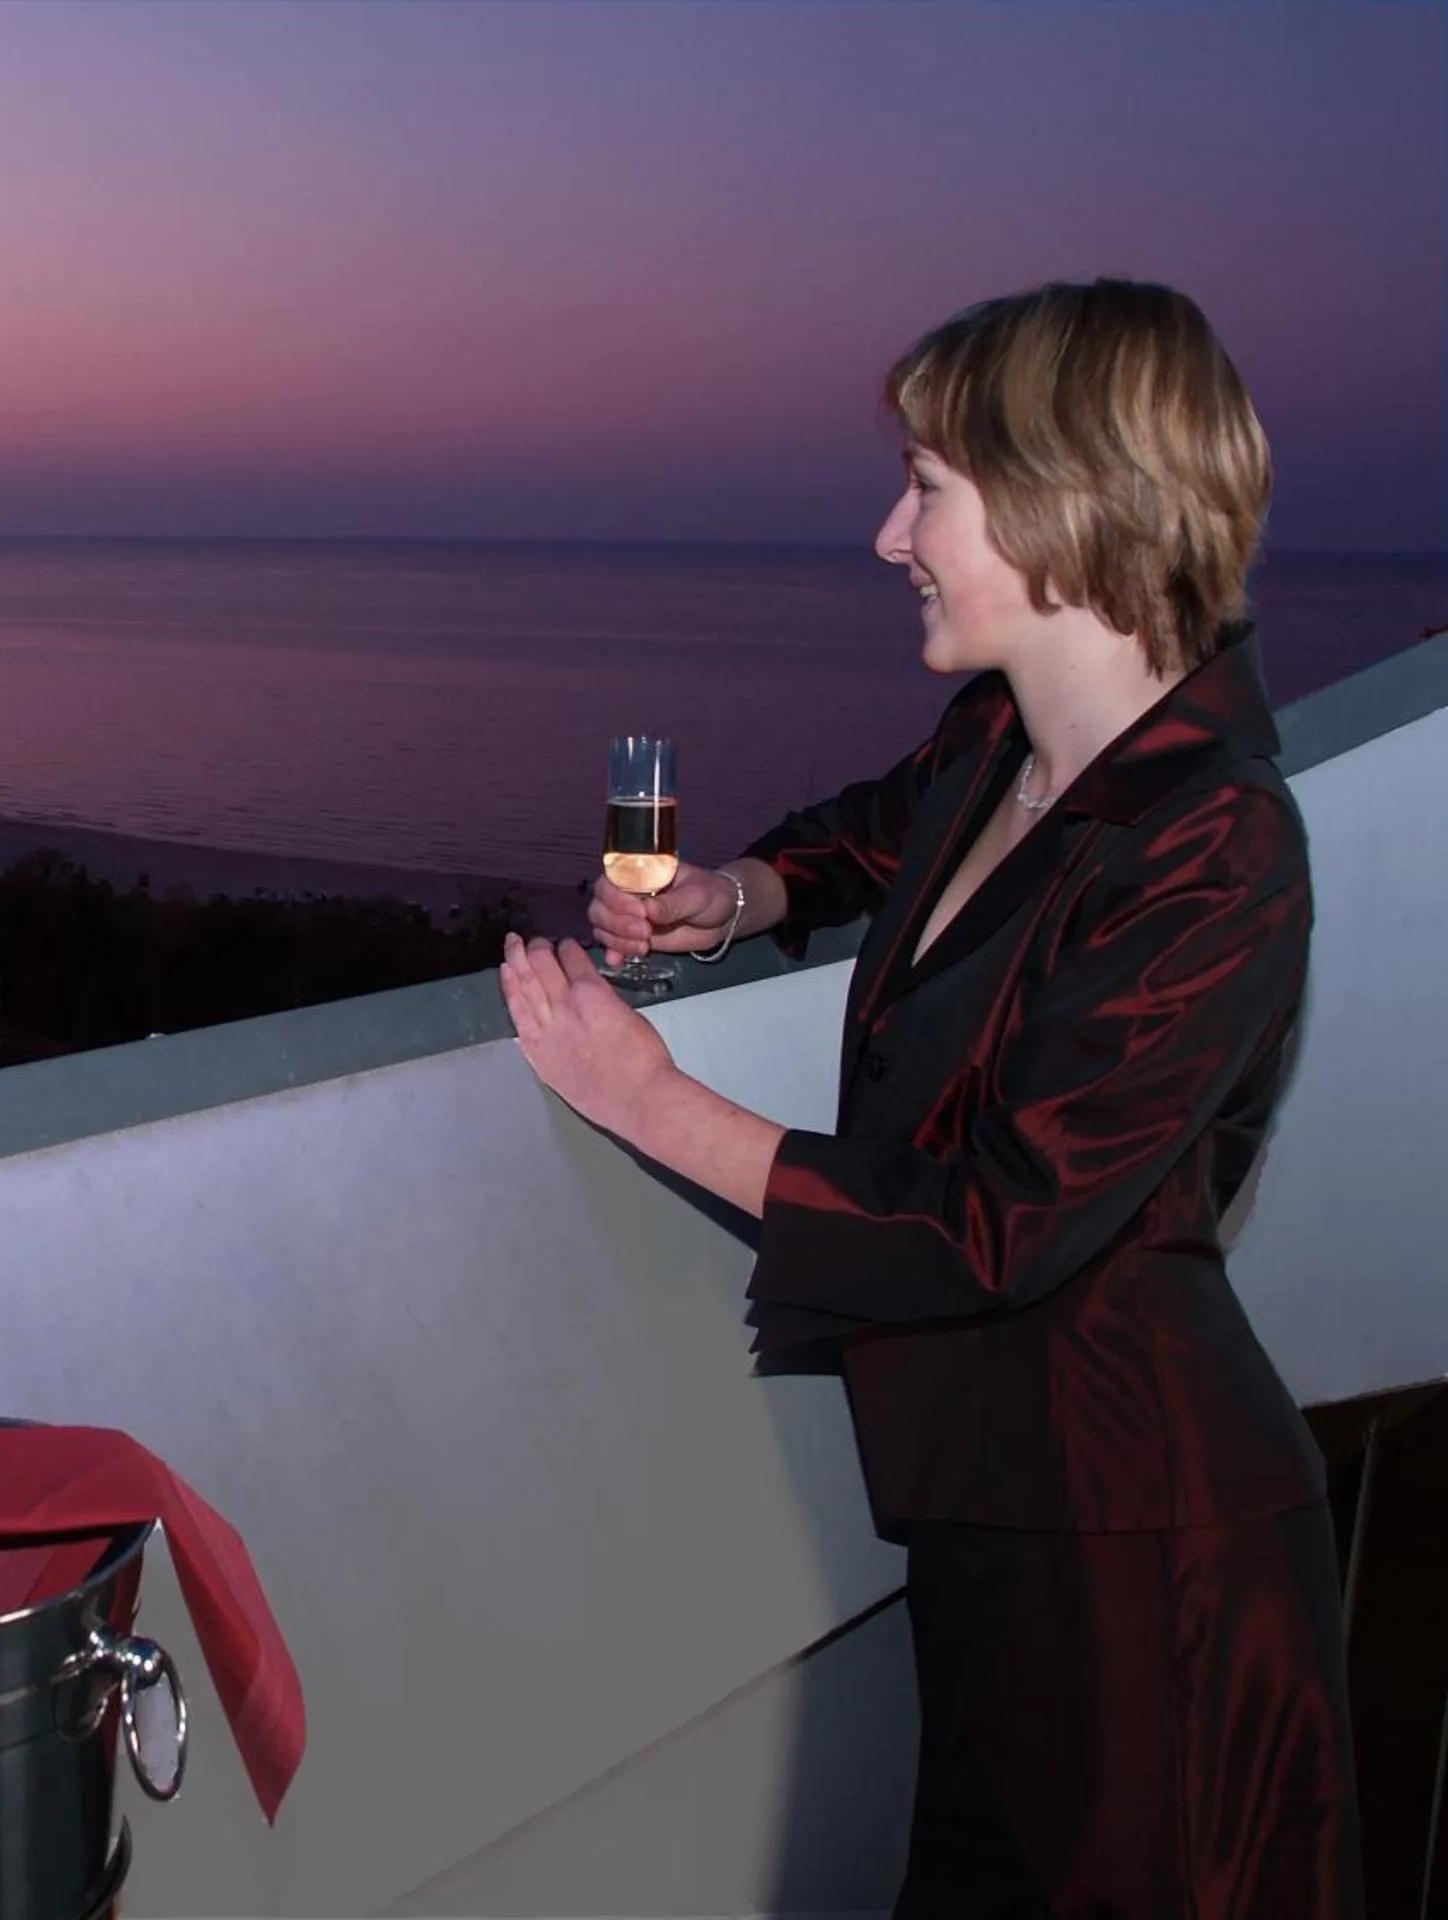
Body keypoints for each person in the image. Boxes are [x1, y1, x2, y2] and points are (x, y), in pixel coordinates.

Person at [498, 279, 1362, 1918]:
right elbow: (869, 831)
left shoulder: (1218, 842)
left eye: (931, 488)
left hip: (1138, 1548)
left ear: (1070, 499)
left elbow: (997, 1218)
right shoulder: (1005, 743)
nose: (890, 535)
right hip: (1003, 1512)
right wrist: (732, 897)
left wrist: (651, 1098)